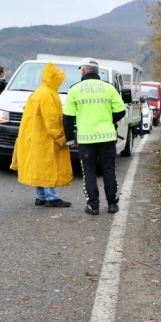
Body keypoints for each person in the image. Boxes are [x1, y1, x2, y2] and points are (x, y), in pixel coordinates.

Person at [63, 58, 126, 215]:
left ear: (83, 71)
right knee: (109, 170)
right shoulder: (109, 88)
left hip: (86, 139)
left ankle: (93, 205)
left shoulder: (74, 89)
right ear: (97, 72)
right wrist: (108, 120)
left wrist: (70, 138)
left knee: (89, 172)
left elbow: (68, 117)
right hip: (107, 137)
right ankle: (112, 204)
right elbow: (121, 110)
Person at [10, 62, 73, 208]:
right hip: (45, 137)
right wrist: (62, 138)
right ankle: (51, 197)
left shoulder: (39, 91)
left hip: (35, 136)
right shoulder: (48, 94)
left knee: (40, 165)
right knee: (47, 166)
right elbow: (52, 120)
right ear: (54, 79)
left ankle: (41, 196)